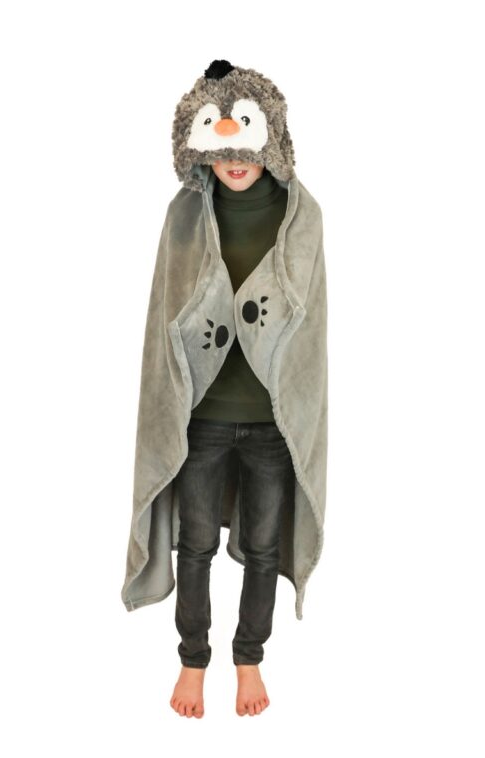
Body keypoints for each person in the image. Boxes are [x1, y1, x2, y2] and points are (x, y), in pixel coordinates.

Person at [170, 156, 293, 718]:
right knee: (196, 544)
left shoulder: (297, 214)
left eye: (246, 146)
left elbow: (309, 320)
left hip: (271, 416)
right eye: (222, 148)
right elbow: (168, 307)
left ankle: (249, 658)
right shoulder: (189, 212)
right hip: (205, 413)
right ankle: (193, 660)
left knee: (263, 546)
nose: (235, 161)